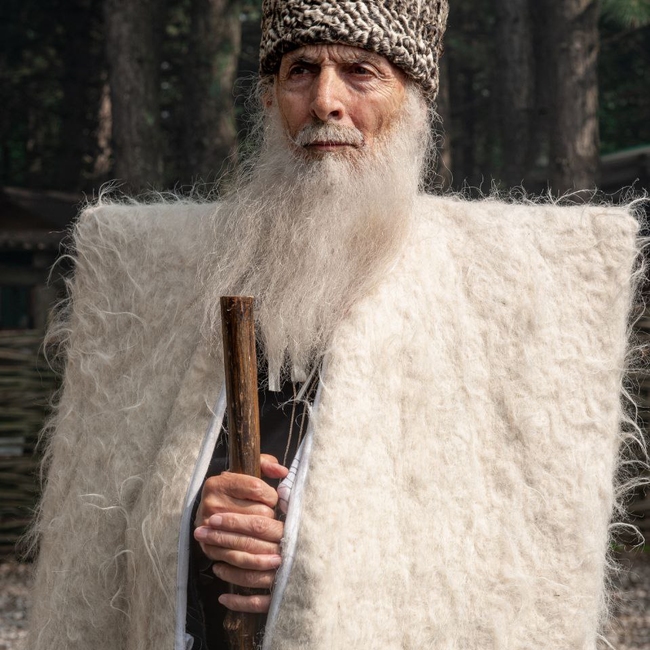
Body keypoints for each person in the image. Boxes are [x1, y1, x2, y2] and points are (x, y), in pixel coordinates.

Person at [28, 1, 640, 649]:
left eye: (360, 71)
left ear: (413, 100)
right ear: (269, 98)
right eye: (300, 70)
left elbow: (502, 547)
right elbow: (104, 523)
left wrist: (306, 552)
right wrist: (197, 523)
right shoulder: (169, 276)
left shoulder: (494, 297)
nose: (325, 101)